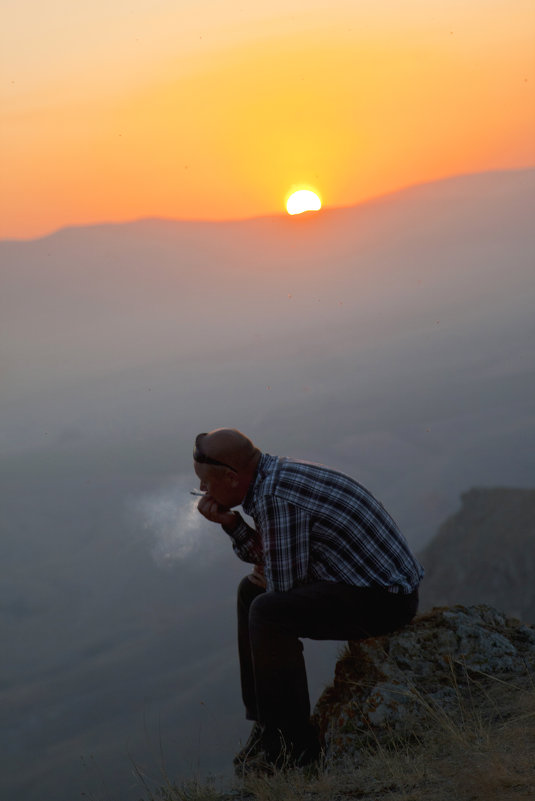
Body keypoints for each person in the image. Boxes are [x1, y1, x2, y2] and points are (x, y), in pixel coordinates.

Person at [193, 428, 424, 772]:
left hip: (385, 602)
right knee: (250, 593)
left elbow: (282, 589)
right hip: (365, 584)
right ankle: (266, 722)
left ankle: (292, 745)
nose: (202, 491)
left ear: (231, 477)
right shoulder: (272, 477)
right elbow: (273, 561)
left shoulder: (275, 496)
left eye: (207, 483)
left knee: (268, 612)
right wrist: (231, 524)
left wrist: (269, 572)